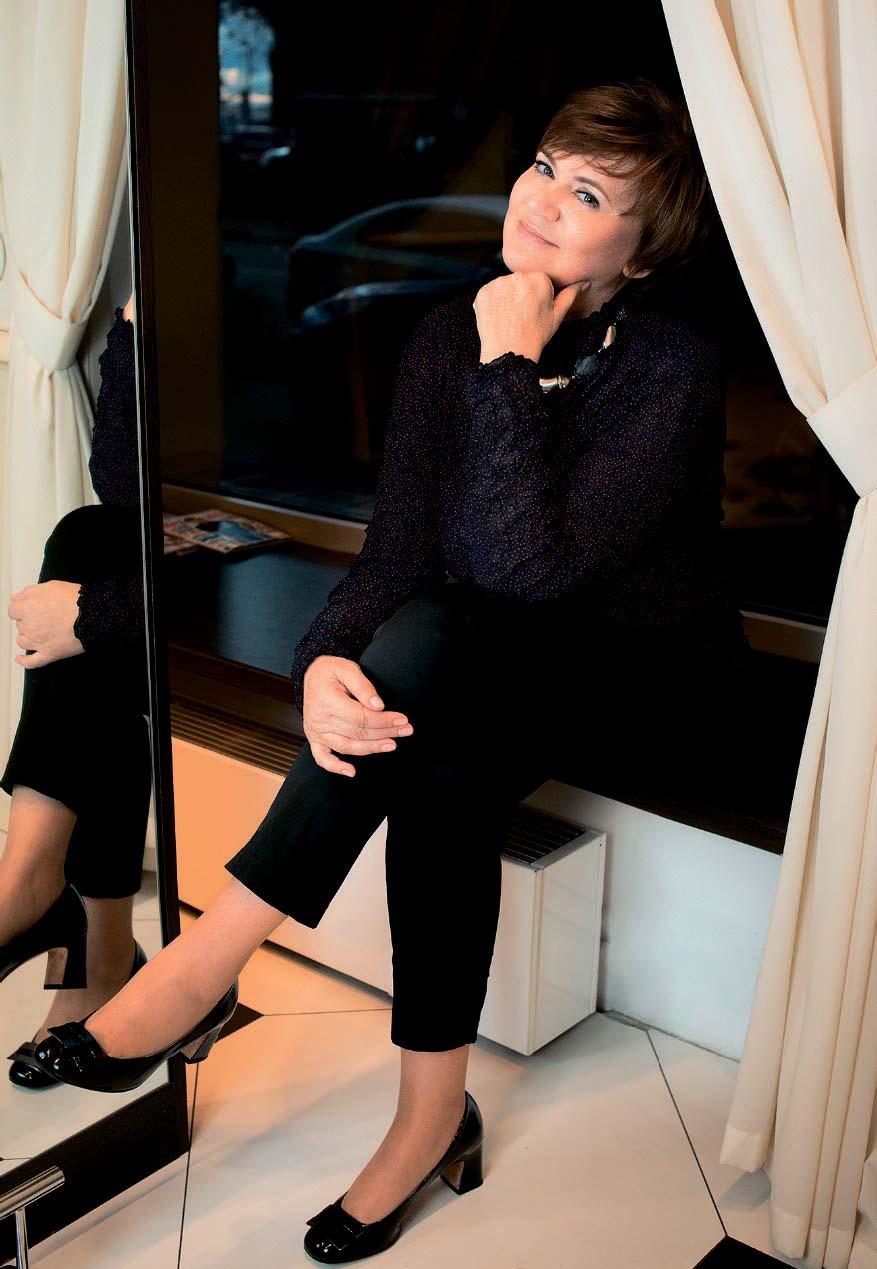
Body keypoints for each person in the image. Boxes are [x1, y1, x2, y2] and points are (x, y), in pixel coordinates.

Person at [30, 78, 753, 1262]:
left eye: (588, 195)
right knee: (433, 730)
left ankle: (210, 965)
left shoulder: (668, 365)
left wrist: (510, 363)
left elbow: (528, 567)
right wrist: (322, 661)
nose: (540, 201)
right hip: (488, 660)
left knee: (443, 657)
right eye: (543, 167)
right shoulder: (443, 336)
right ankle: (426, 1116)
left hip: (641, 675)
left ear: (643, 248)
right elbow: (403, 552)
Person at [1, 294, 151, 1089]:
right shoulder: (170, 271)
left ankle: (34, 889)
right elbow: (124, 484)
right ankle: (94, 951)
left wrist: (94, 613)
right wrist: (136, 330)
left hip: (331, 577)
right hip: (178, 548)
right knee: (92, 533)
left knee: (89, 560)